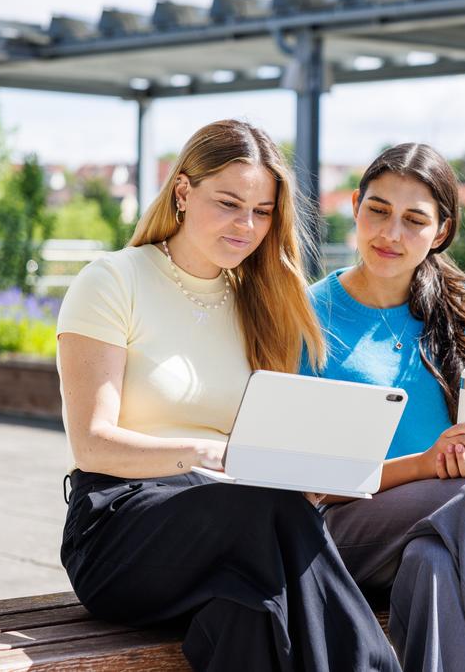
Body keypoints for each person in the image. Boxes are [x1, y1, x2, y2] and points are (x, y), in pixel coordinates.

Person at [56, 119, 401, 671]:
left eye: (262, 211)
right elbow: (92, 446)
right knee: (268, 509)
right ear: (184, 192)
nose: (247, 225)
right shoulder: (113, 280)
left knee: (248, 616)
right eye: (229, 203)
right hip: (121, 529)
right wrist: (204, 453)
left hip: (239, 536)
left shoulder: (257, 300)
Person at [302, 143, 465, 672]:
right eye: (378, 211)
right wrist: (428, 467)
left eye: (414, 220)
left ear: (440, 232)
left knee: (433, 565)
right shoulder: (307, 315)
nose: (390, 234)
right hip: (336, 533)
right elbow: (307, 482)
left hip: (438, 527)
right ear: (355, 206)